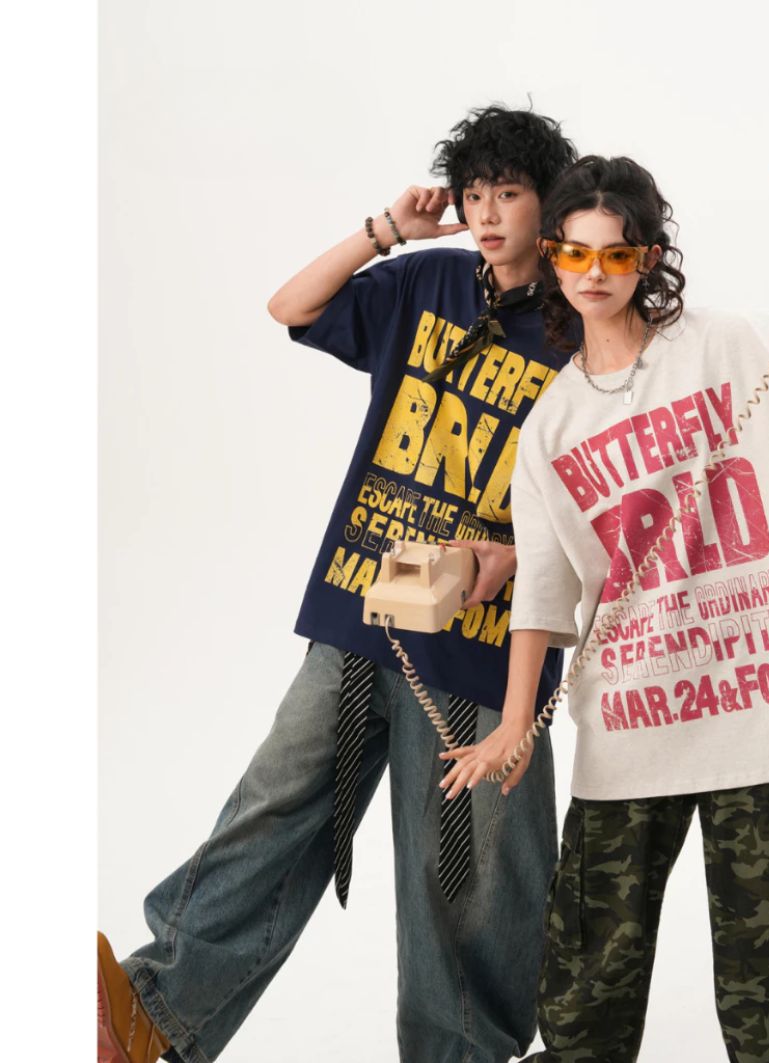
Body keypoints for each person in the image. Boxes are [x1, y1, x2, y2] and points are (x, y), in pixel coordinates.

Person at [97, 104, 578, 1063]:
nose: (487, 214)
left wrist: (514, 561)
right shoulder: (426, 282)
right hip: (366, 611)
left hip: (488, 646)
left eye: (509, 193)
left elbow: (613, 506)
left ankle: (464, 1055)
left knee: (469, 879)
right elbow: (293, 306)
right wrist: (386, 230)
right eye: (474, 194)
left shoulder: (580, 327)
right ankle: (153, 1021)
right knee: (274, 806)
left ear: (548, 203)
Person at [440, 155, 769, 1062]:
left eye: (616, 255)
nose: (593, 274)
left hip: (758, 715)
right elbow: (542, 585)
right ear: (551, 255)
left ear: (648, 259)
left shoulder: (727, 345)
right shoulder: (552, 423)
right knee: (583, 1005)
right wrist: (514, 721)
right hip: (630, 721)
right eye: (574, 254)